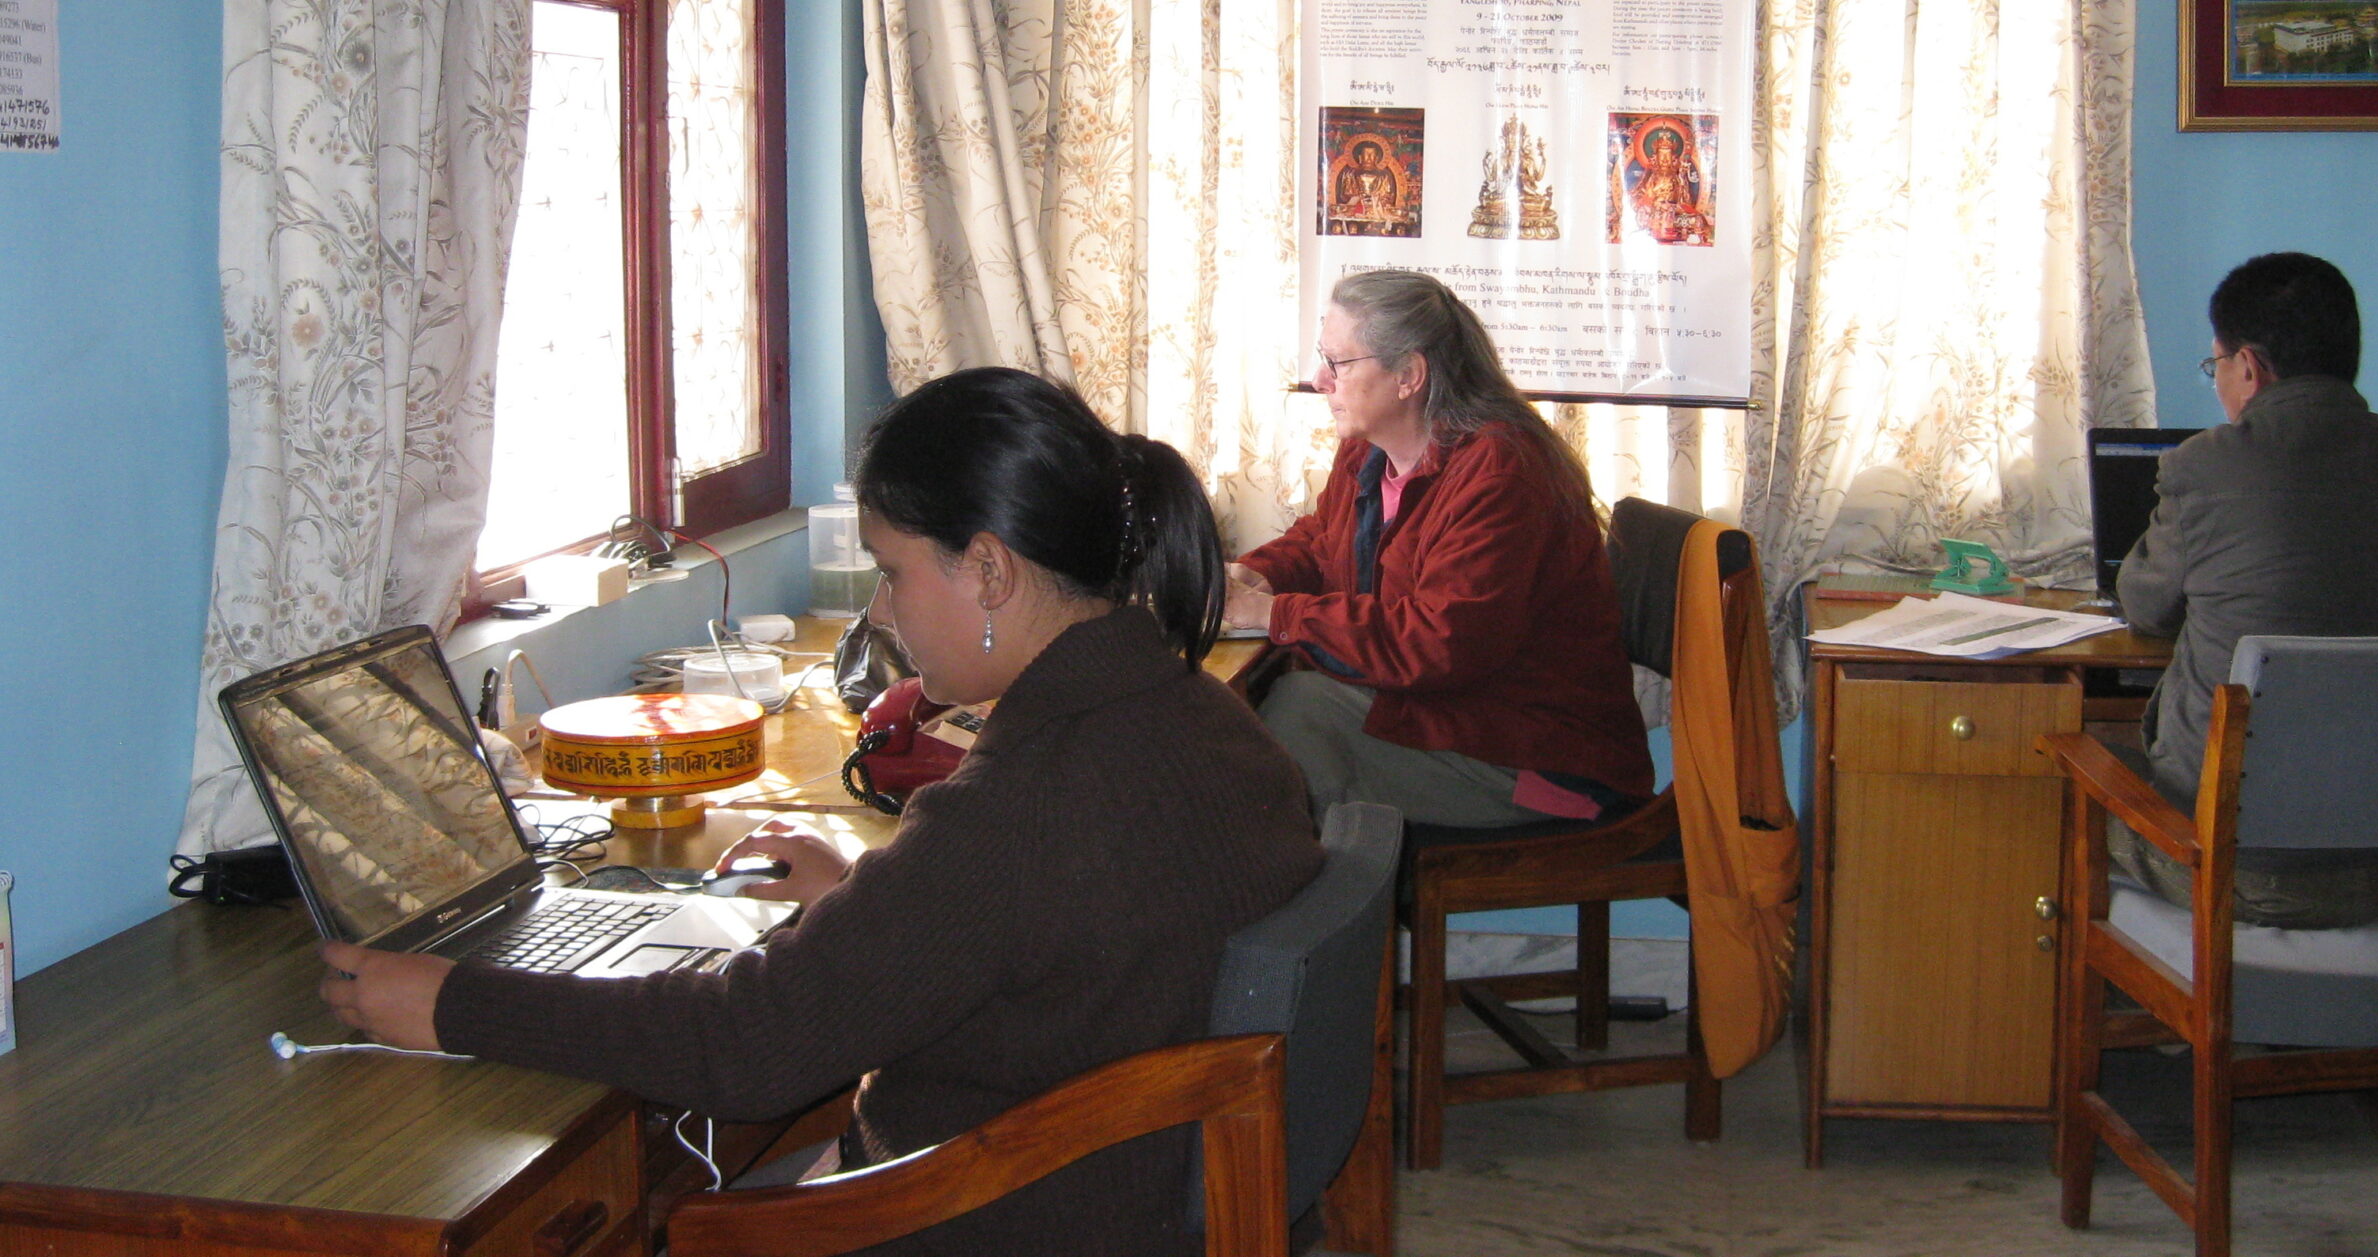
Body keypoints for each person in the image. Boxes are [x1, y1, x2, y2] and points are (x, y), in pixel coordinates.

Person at [319, 367, 1323, 1256]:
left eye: (892, 572)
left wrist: (451, 1004)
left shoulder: (1017, 808)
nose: (879, 612)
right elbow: (1065, 928)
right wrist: (871, 900)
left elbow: (743, 1050)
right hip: (1138, 1193)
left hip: (1011, 1212)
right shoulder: (1199, 713)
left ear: (987, 570)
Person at [2112, 252, 2378, 928]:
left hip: (2226, 866)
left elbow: (2145, 606)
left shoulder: (2203, 467)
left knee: (2077, 764)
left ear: (2247, 365)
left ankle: (2153, 1022)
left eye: (2214, 365)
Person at [1225, 269, 1652, 829]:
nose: (1318, 380)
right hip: (1457, 721)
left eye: (1338, 363)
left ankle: (1324, 902)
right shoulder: (1367, 452)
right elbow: (1320, 541)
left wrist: (1275, 614)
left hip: (1544, 762)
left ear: (1409, 375)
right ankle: (1331, 895)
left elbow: (1438, 643)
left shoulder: (1503, 472)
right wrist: (1254, 578)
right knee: (1281, 697)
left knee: (1299, 713)